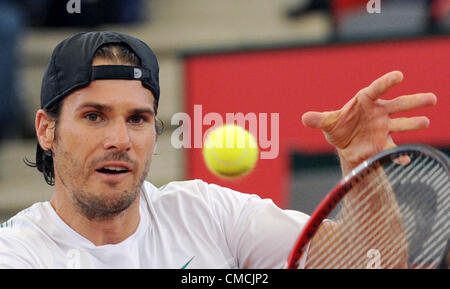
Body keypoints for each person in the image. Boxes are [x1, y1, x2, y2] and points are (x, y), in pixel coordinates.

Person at [0, 31, 436, 269]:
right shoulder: (17, 254)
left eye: (138, 119)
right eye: (94, 116)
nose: (120, 139)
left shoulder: (207, 212)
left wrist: (362, 168)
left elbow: (372, 264)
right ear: (47, 130)